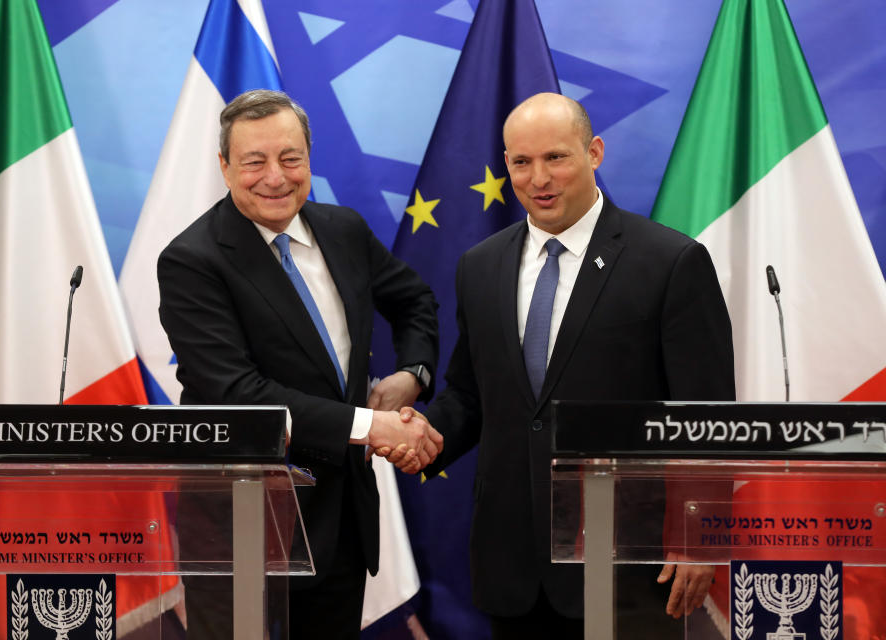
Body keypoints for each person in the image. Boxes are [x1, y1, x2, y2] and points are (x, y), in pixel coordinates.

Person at [419, 92, 735, 637]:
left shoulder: (670, 262)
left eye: (556, 158)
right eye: (521, 162)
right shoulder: (480, 265)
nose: (538, 178)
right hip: (514, 566)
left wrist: (699, 536)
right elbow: (471, 394)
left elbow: (704, 415)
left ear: (594, 153)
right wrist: (422, 435)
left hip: (630, 564)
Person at [157, 89, 441, 639]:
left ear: (309, 157)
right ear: (224, 167)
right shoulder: (192, 261)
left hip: (340, 523)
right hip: (241, 523)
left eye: (290, 158)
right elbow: (237, 393)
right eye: (254, 162)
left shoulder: (343, 229)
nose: (275, 177)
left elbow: (415, 301)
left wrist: (413, 375)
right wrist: (369, 426)